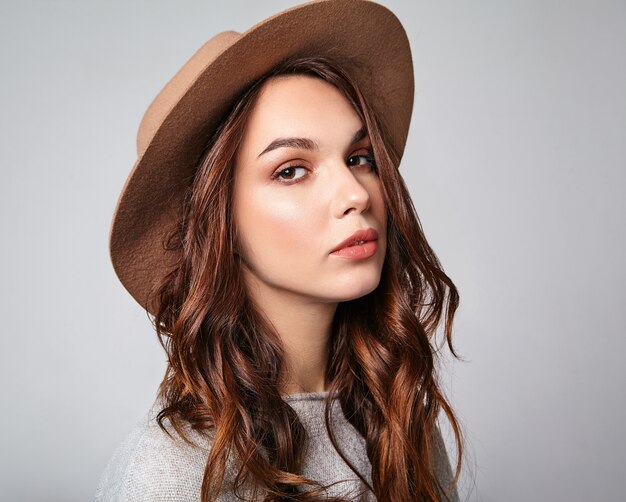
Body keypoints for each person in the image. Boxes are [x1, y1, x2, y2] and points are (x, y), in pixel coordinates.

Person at [96, 1, 463, 500]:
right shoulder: (177, 473)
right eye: (291, 169)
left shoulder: (401, 425)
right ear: (217, 221)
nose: (356, 194)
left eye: (359, 158)